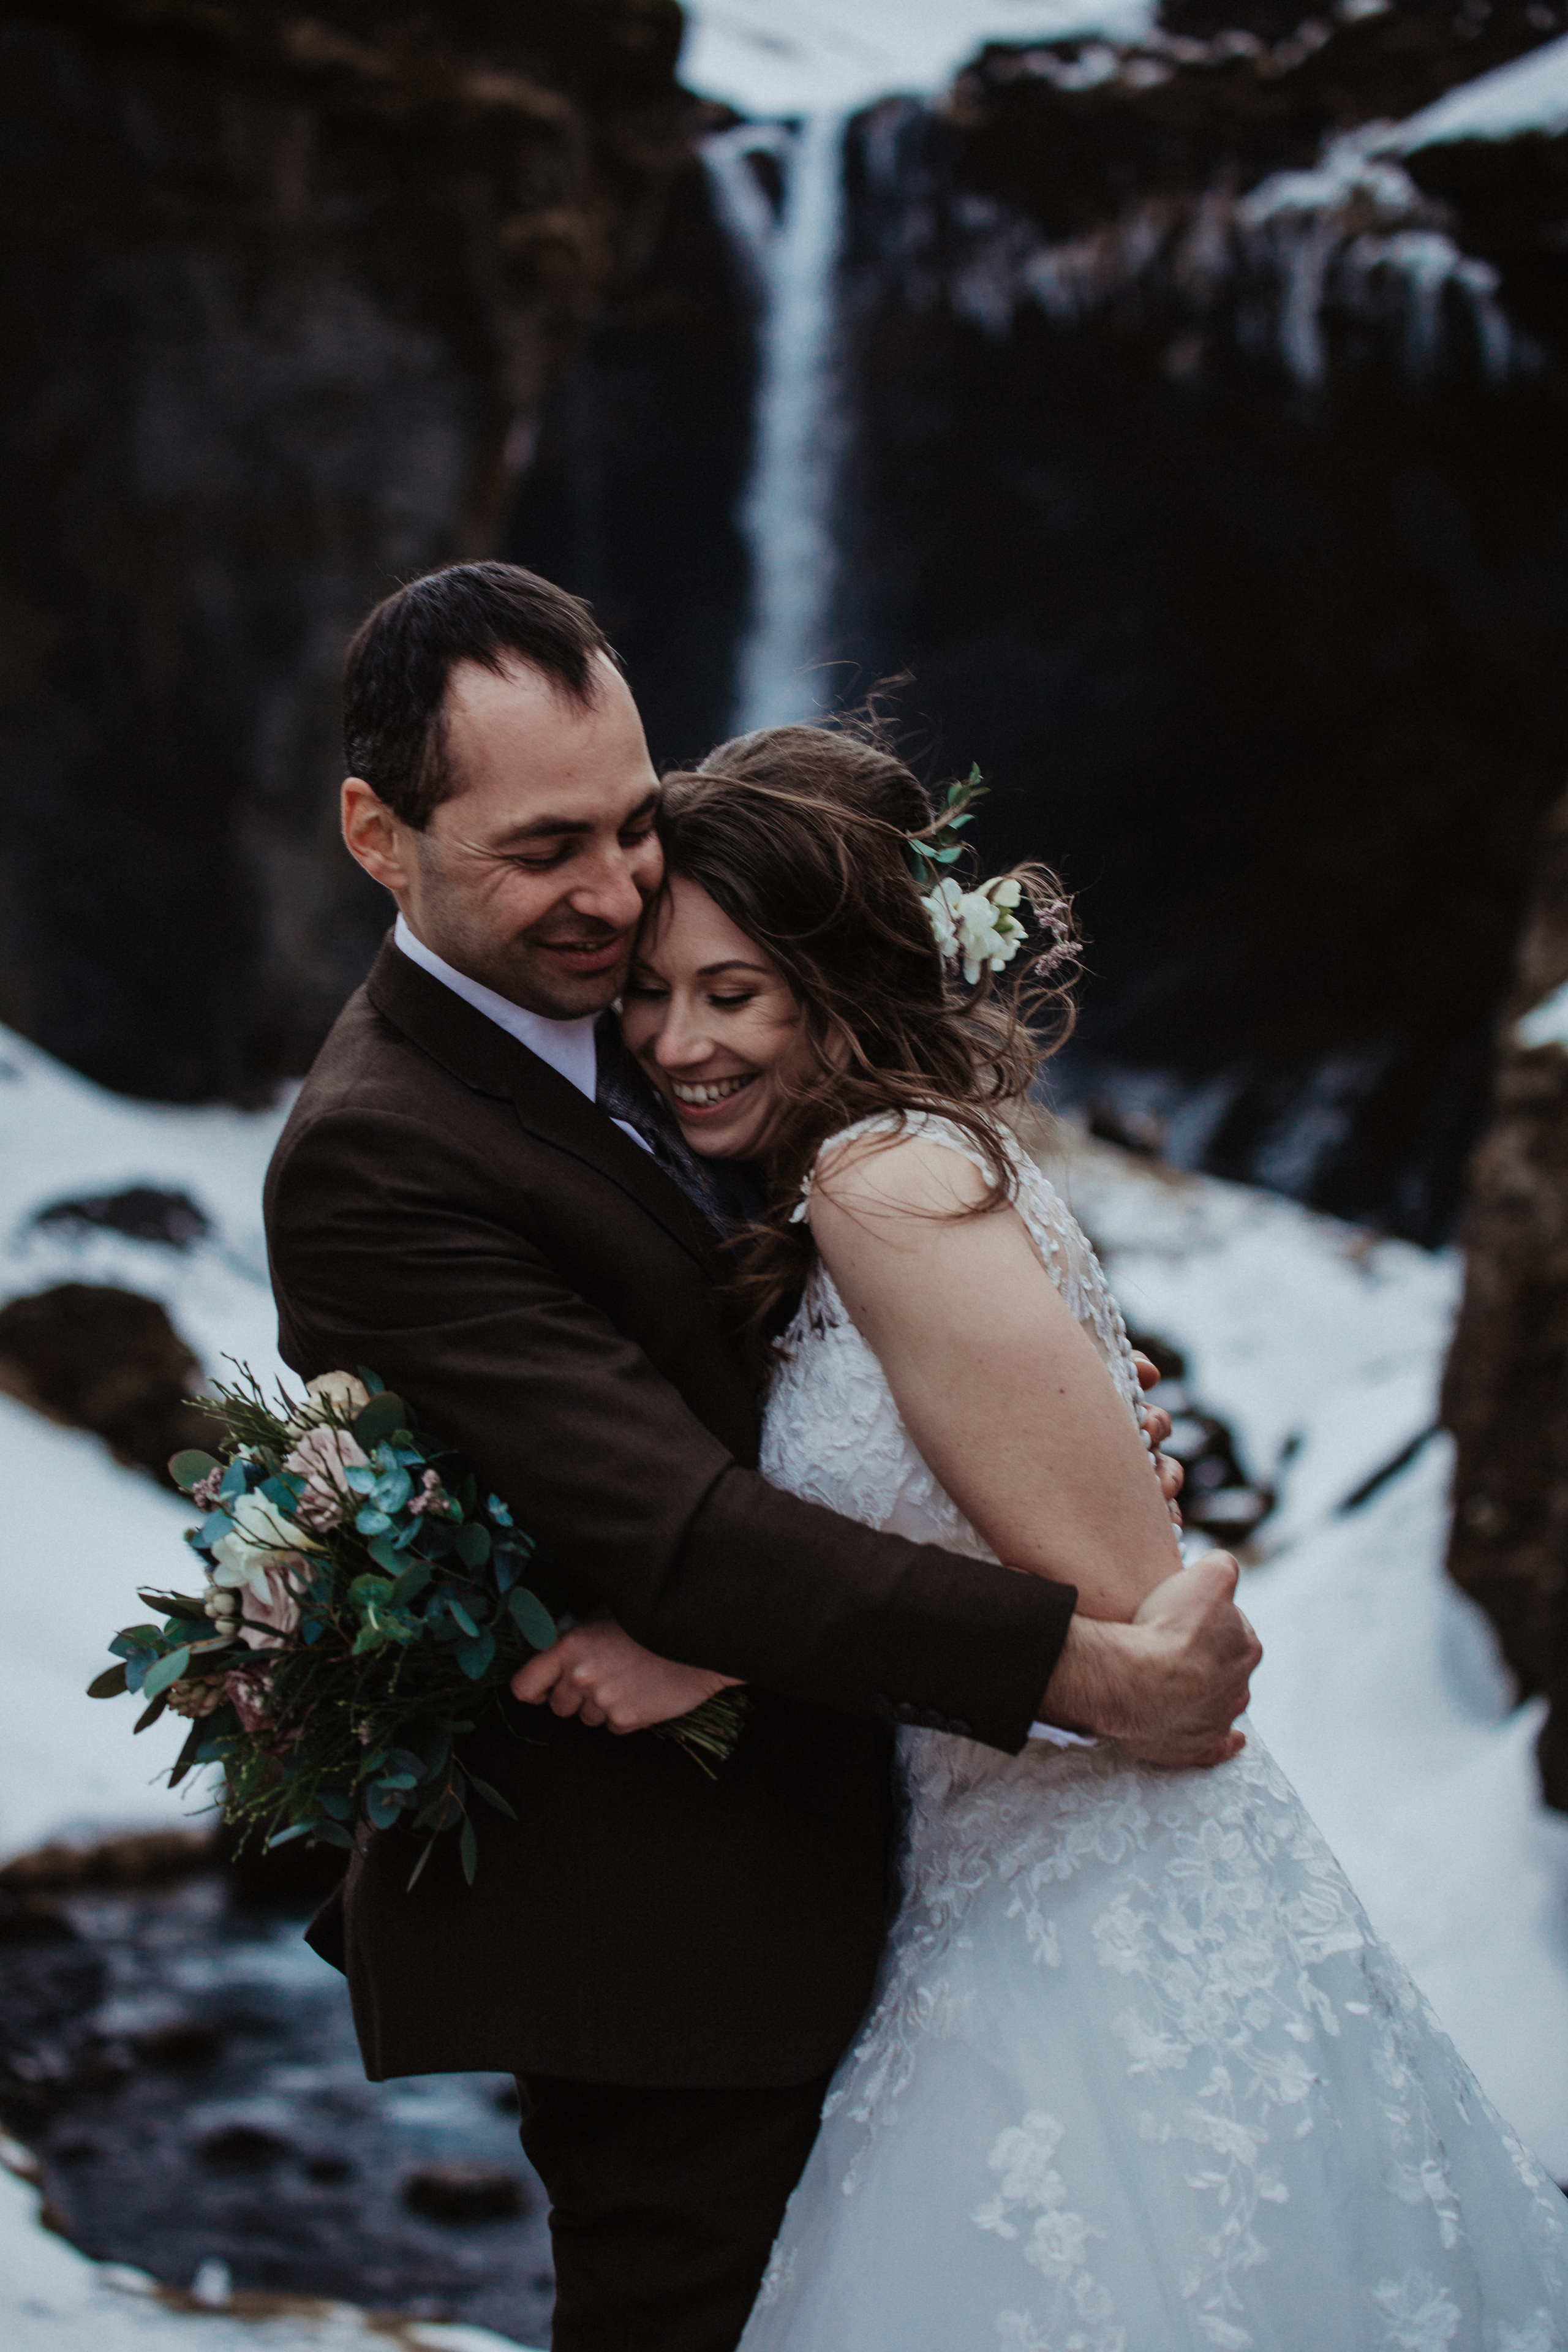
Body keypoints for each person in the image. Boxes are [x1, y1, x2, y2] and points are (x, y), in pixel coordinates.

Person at [264, 561, 1259, 2352]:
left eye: (633, 827)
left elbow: (851, 1325)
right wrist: (1090, 1671)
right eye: (544, 847)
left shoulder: (673, 1004)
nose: (614, 895)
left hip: (899, 1870)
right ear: (376, 832)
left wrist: (1051, 1422)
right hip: (668, 1954)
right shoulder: (375, 1157)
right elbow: (685, 1533)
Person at [519, 727, 1568, 2350]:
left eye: (731, 994)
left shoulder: (879, 1182)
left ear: (837, 982)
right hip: (992, 1899)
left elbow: (1140, 1639)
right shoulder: (873, 1179)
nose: (675, 1041)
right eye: (652, 996)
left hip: (1087, 1946)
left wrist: (712, 1642)